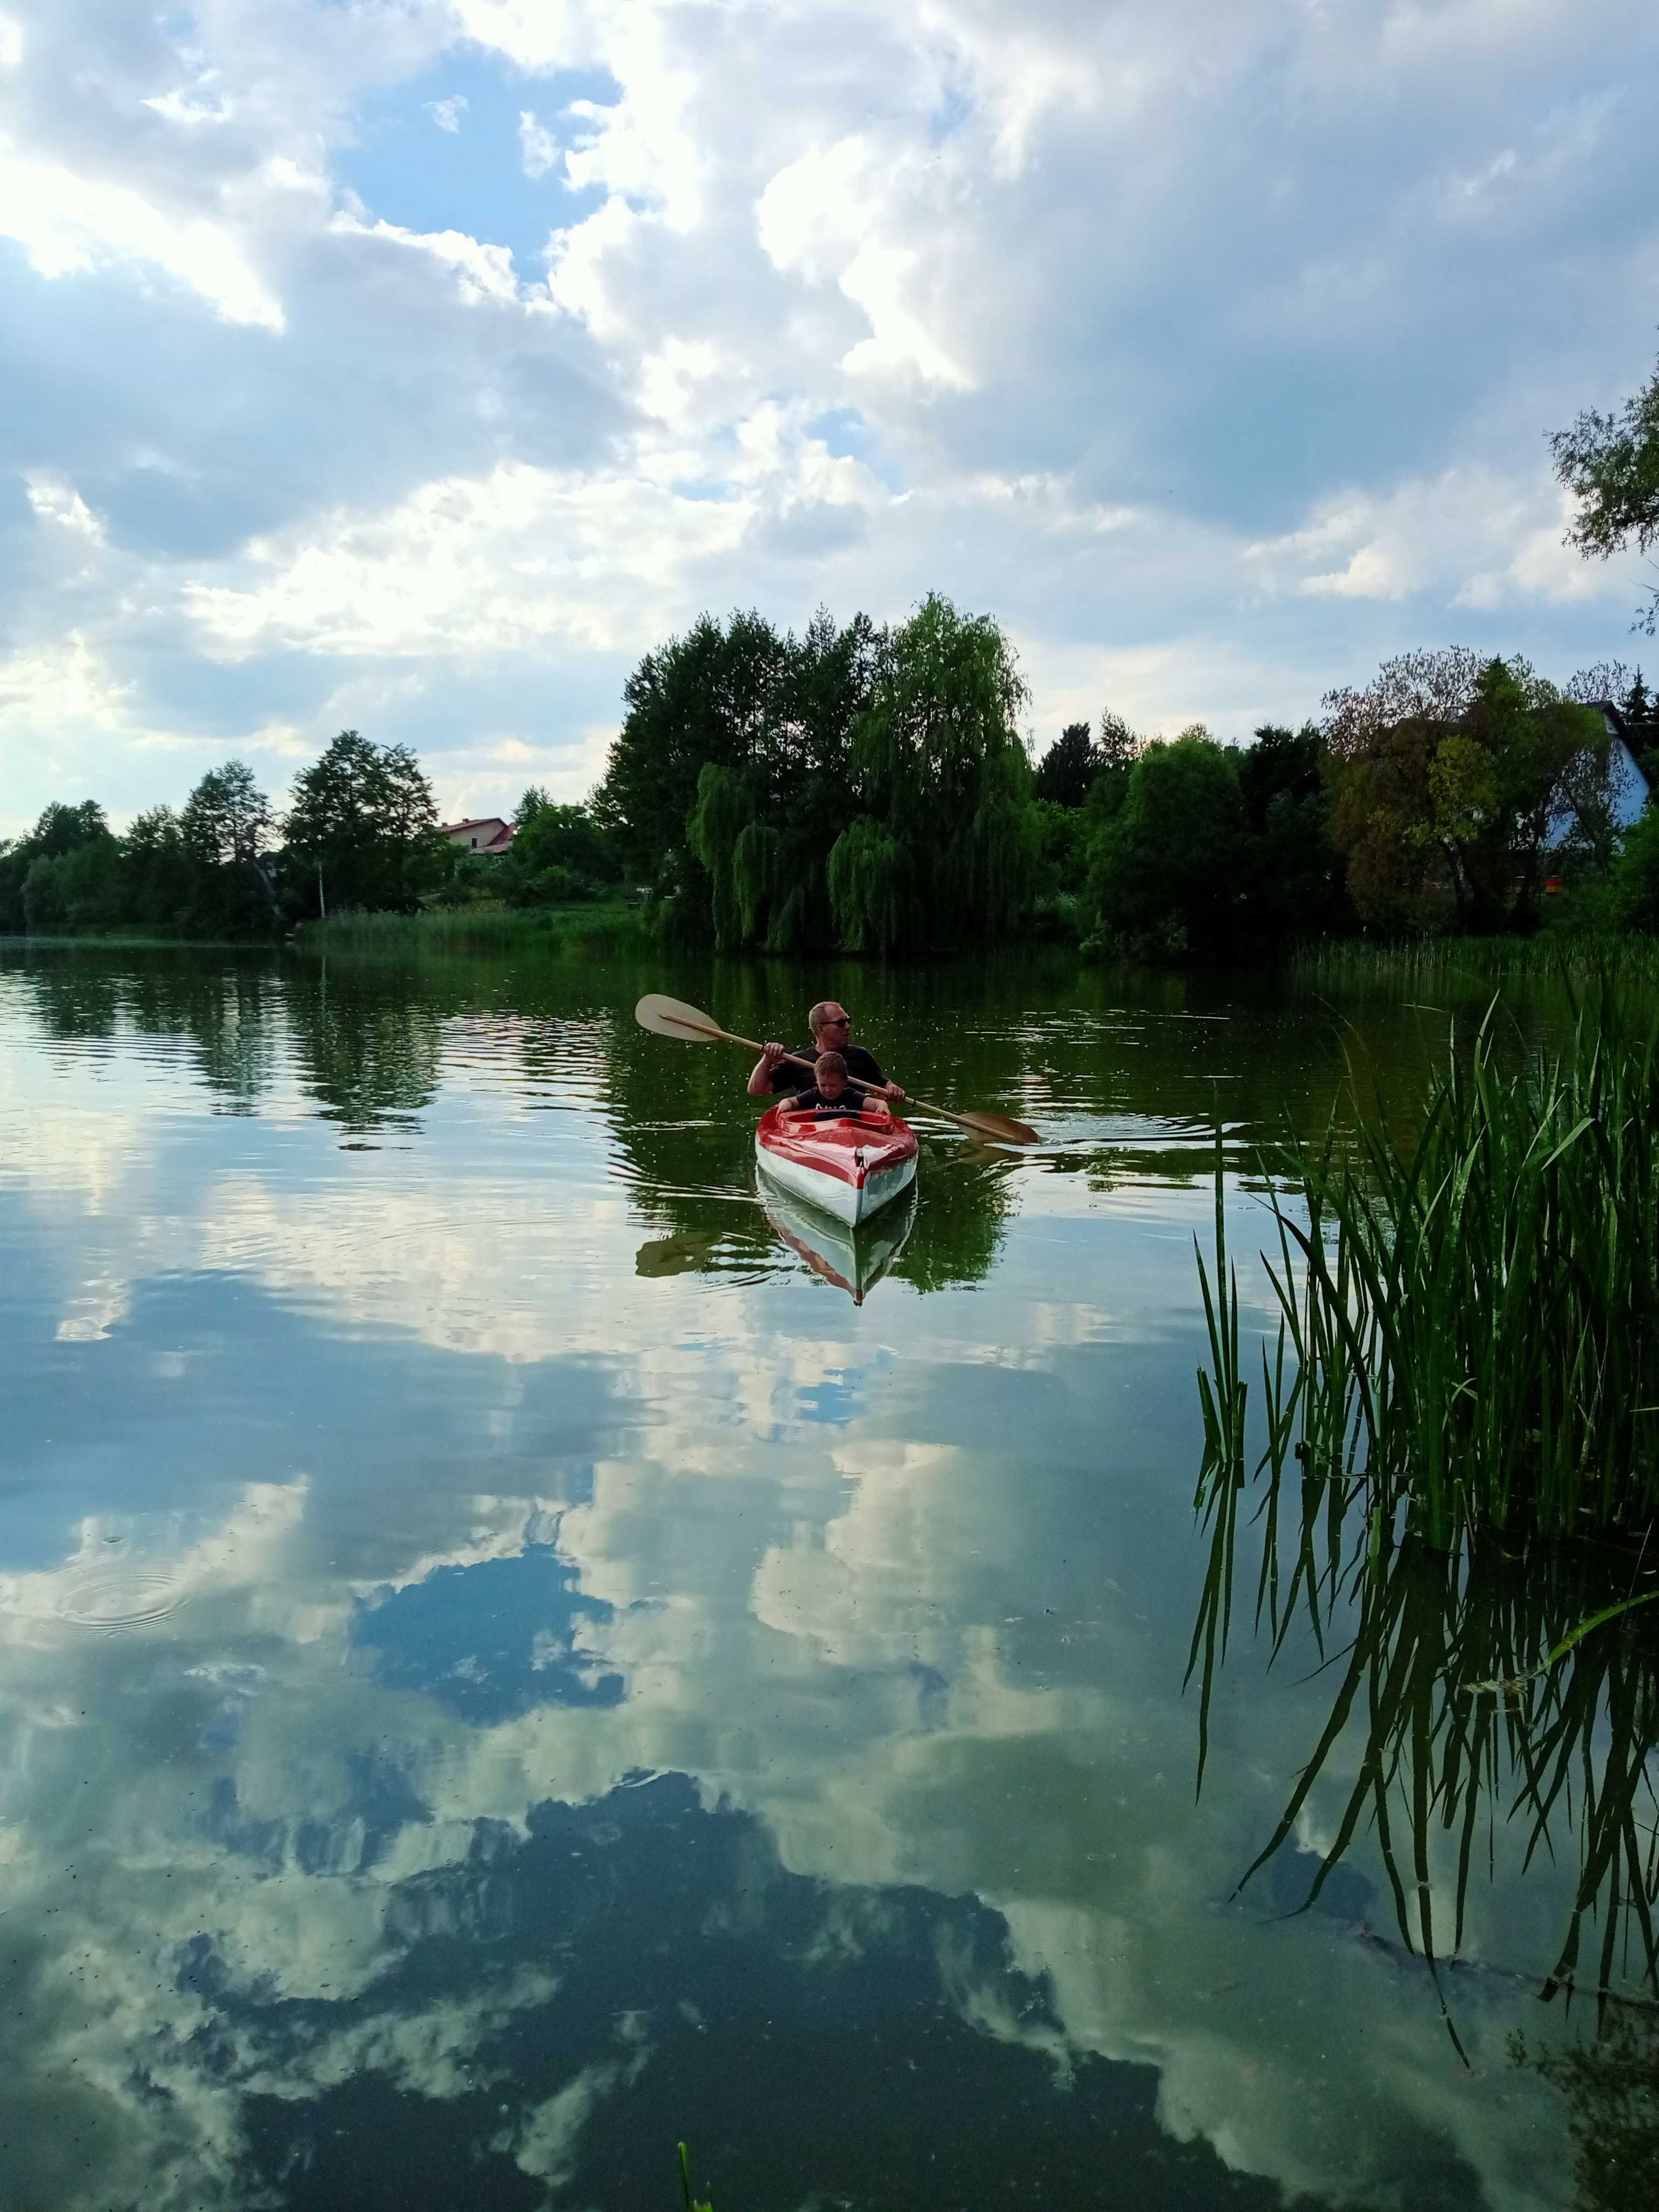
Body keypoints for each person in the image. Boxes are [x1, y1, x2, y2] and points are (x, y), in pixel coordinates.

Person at [746, 1000, 905, 1102]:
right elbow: (756, 1089)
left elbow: (884, 1085)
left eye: (848, 1021)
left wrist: (892, 1090)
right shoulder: (797, 1061)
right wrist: (768, 1059)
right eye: (841, 1023)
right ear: (821, 1028)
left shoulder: (861, 1056)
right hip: (815, 1133)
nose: (848, 1027)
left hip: (855, 1128)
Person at [785, 1050, 884, 1117]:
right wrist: (786, 1105)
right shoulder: (813, 1095)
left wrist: (882, 1107)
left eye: (833, 1085)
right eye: (823, 1085)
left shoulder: (852, 1096)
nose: (828, 1090)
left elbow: (878, 1103)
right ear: (817, 1081)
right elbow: (790, 1102)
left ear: (845, 1081)